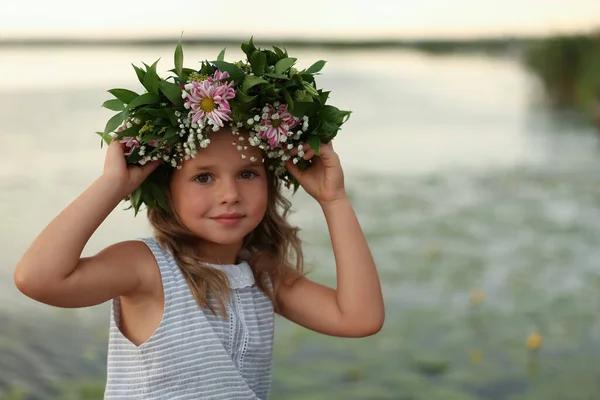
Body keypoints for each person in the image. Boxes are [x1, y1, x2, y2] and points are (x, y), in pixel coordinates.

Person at [13, 40, 384, 400]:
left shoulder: (264, 275)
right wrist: (113, 184)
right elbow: (38, 279)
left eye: (248, 174)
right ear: (166, 191)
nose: (230, 194)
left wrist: (334, 200)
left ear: (270, 183)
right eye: (203, 177)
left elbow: (359, 318)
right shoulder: (147, 268)